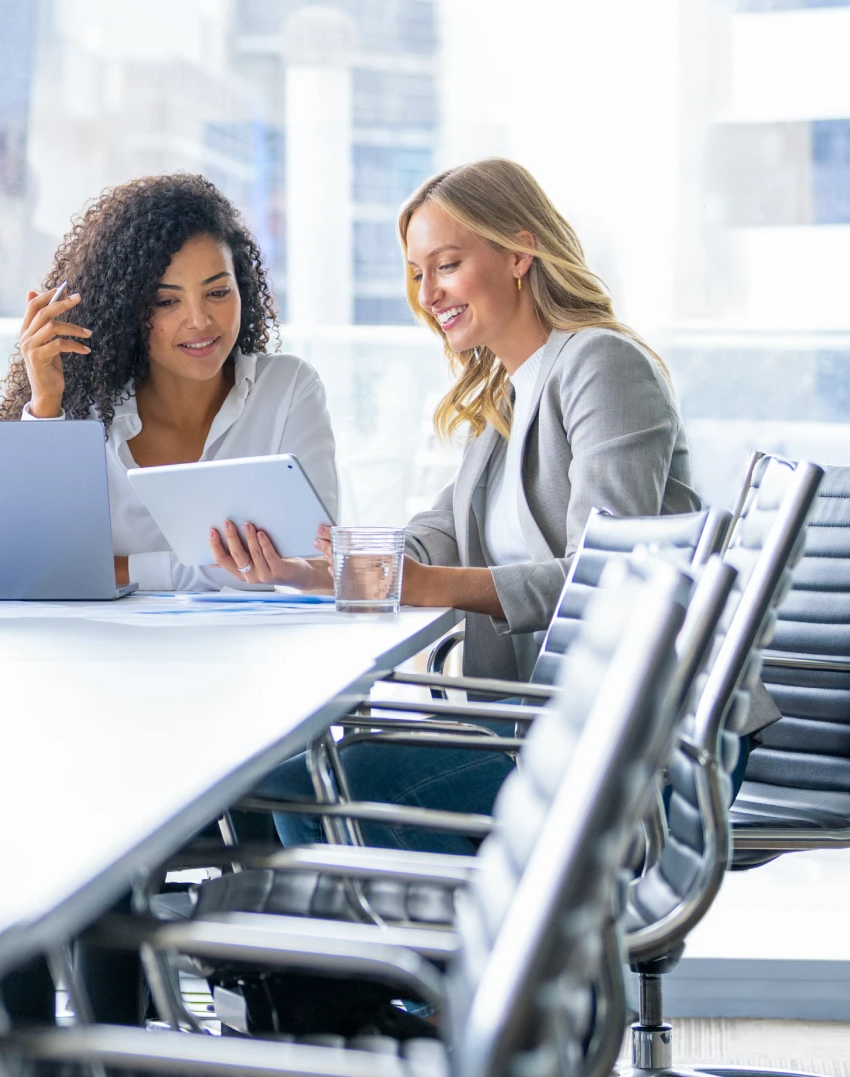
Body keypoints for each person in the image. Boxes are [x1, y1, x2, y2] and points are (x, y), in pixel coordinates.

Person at [214, 158, 702, 853]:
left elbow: (605, 580)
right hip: (548, 720)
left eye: (446, 264)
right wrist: (316, 569)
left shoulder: (601, 365)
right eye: (418, 273)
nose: (429, 292)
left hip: (633, 738)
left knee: (309, 791)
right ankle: (332, 961)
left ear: (518, 253)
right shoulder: (504, 395)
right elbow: (436, 535)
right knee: (278, 782)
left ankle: (442, 959)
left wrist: (417, 584)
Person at [0, 173, 338, 591]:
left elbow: (325, 566)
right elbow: (32, 562)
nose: (199, 321)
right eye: (167, 301)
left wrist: (124, 570)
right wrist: (46, 401)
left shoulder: (287, 390)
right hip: (100, 652)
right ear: (126, 308)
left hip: (249, 652)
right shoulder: (80, 409)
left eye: (217, 292)